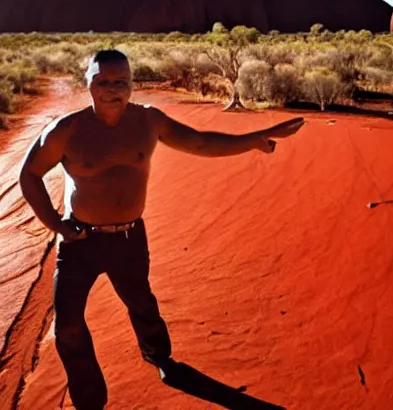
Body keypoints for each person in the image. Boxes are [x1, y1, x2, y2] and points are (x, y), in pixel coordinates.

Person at [18, 49, 305, 410]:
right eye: (102, 81)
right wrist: (55, 223)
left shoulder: (148, 122)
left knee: (143, 305)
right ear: (88, 84)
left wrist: (255, 139)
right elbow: (28, 174)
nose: (112, 90)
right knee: (69, 327)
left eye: (120, 82)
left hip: (128, 238)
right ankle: (90, 402)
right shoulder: (66, 130)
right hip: (79, 242)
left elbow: (200, 141)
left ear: (132, 85)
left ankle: (160, 358)